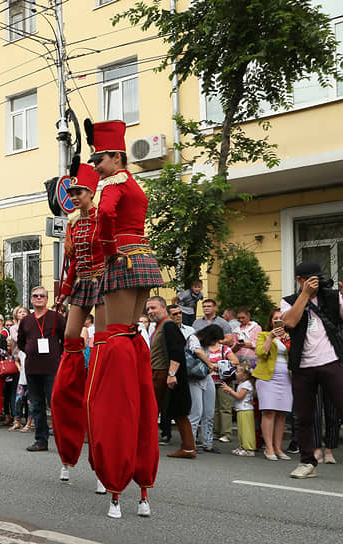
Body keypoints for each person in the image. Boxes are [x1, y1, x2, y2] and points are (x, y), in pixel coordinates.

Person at [83, 119, 162, 519]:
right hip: (144, 259)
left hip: (122, 260)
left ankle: (114, 481)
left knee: (113, 342)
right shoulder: (136, 184)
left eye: (99, 159)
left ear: (116, 156)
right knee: (132, 337)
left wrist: (108, 249)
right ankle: (143, 489)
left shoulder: (112, 185)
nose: (95, 166)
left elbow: (105, 219)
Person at [53, 164, 104, 482]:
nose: (73, 197)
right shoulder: (73, 224)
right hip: (83, 283)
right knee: (71, 336)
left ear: (90, 193)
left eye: (78, 192)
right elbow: (72, 267)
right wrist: (63, 294)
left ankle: (99, 376)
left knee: (102, 340)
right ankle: (77, 380)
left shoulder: (102, 218)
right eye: (70, 193)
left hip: (105, 282)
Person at [280, 261, 343, 479]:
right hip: (302, 366)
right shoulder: (288, 301)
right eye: (311, 278)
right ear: (300, 280)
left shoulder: (334, 297)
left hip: (331, 361)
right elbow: (289, 322)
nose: (317, 282)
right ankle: (307, 462)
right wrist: (305, 295)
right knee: (303, 417)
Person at [16, 286, 66, 452]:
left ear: (47, 299)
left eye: (42, 296)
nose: (38, 298)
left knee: (56, 405)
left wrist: (57, 355)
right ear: (31, 299)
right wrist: (31, 350)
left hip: (52, 368)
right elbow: (21, 342)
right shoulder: (26, 321)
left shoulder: (57, 318)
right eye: (35, 295)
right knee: (36, 406)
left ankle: (63, 442)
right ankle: (40, 440)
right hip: (32, 369)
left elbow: (65, 340)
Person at [145, 296, 195, 459]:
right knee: (175, 411)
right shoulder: (160, 326)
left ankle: (147, 446)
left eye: (153, 308)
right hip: (159, 373)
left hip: (163, 374)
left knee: (152, 410)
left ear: (164, 307)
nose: (151, 312)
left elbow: (177, 350)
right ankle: (187, 448)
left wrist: (172, 374)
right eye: (148, 309)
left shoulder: (168, 325)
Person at [187, 324, 238, 454]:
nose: (214, 343)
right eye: (214, 340)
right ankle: (190, 443)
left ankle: (208, 443)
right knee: (196, 413)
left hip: (206, 376)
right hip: (194, 378)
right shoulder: (193, 338)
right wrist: (210, 364)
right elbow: (197, 352)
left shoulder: (206, 344)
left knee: (209, 412)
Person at [253, 310, 293, 461]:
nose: (278, 321)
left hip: (286, 378)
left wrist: (289, 341)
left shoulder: (289, 337)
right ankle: (268, 448)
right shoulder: (264, 335)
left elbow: (296, 355)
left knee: (282, 413)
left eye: (281, 319)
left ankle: (278, 448)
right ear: (271, 322)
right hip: (267, 378)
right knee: (268, 412)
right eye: (275, 319)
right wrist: (271, 336)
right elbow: (261, 353)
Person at [221, 362, 256, 456]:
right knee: (242, 430)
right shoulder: (242, 383)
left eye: (237, 371)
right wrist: (230, 392)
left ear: (244, 375)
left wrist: (230, 390)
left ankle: (249, 448)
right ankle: (243, 446)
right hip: (241, 409)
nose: (235, 373)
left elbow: (240, 396)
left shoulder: (246, 384)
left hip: (246, 410)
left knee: (247, 430)